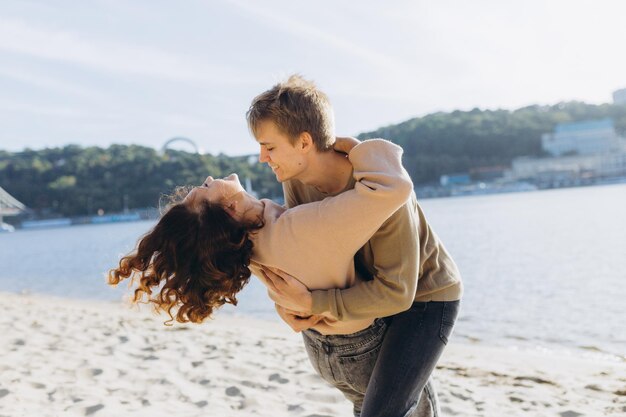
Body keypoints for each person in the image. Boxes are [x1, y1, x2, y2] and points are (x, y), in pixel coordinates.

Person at [108, 137, 437, 415]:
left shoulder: (251, 246)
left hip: (327, 350)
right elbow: (391, 188)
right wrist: (357, 149)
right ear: (230, 211)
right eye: (204, 190)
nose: (208, 179)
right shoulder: (297, 230)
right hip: (360, 348)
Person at [246, 75, 463, 417]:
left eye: (269, 147)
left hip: (425, 300)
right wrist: (292, 307)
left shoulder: (379, 189)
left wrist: (315, 301)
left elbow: (398, 292)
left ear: (304, 142)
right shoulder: (299, 182)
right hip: (372, 294)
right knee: (378, 403)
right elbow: (309, 251)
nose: (261, 158)